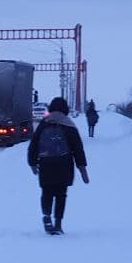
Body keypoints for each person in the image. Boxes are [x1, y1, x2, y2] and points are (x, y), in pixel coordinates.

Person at [27, 97, 89, 235]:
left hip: (46, 164)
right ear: (65, 109)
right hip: (64, 164)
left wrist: (32, 162)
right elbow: (78, 149)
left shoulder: (44, 123)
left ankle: (47, 217)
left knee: (47, 192)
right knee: (61, 194)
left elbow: (34, 144)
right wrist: (82, 169)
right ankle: (58, 224)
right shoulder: (69, 125)